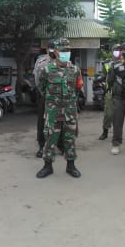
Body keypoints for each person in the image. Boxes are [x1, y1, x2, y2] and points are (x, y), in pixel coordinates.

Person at [35, 38, 83, 179]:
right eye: (63, 50)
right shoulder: (47, 69)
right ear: (55, 51)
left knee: (70, 138)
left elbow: (77, 88)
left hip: (70, 111)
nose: (66, 52)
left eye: (68, 50)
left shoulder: (75, 70)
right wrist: (52, 103)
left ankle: (71, 166)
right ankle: (47, 166)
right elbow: (41, 88)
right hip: (53, 111)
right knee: (50, 138)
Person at [106, 43, 125, 155]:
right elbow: (110, 81)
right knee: (117, 123)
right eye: (124, 50)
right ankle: (116, 144)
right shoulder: (115, 65)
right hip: (118, 99)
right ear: (121, 52)